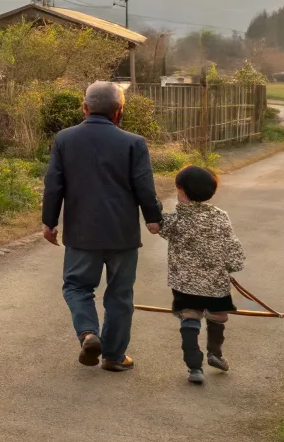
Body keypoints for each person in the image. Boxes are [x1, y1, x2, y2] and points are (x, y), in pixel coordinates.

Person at [41, 80, 162, 372]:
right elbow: (144, 186)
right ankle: (114, 356)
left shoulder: (65, 139)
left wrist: (49, 222)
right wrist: (153, 218)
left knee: (77, 287)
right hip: (122, 234)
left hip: (82, 232)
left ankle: (88, 333)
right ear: (118, 112)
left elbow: (53, 184)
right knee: (120, 295)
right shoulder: (134, 142)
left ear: (84, 109)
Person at [157, 165, 246, 384]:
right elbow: (233, 247)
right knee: (216, 317)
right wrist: (231, 265)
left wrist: (154, 206)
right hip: (217, 283)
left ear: (182, 191)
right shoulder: (220, 217)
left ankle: (194, 367)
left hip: (185, 285)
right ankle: (215, 353)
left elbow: (159, 225)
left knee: (190, 317)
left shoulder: (177, 221)